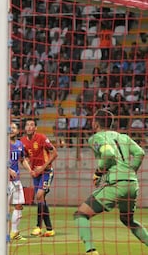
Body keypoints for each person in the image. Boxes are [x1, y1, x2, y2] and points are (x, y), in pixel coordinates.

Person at [74, 109, 148, 255]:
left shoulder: (96, 137)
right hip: (132, 184)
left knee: (80, 214)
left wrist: (98, 172)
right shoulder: (124, 137)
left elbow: (108, 154)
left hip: (115, 184)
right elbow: (140, 152)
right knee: (128, 220)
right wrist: (130, 170)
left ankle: (91, 251)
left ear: (95, 123)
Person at [0, 122, 33, 241]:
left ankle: (15, 232)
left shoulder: (20, 144)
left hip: (16, 181)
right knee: (1, 206)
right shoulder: (3, 144)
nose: (11, 129)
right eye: (10, 128)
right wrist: (9, 169)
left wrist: (30, 170)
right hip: (4, 180)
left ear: (17, 131)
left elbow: (22, 160)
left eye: (14, 128)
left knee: (19, 205)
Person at [21, 118, 58, 237]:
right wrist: (30, 170)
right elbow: (23, 159)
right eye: (27, 125)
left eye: (32, 125)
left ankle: (38, 226)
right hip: (36, 174)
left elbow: (55, 153)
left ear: (35, 128)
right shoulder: (23, 142)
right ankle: (49, 229)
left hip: (46, 172)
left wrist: (42, 167)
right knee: (41, 200)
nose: (29, 127)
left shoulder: (41, 138)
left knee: (39, 196)